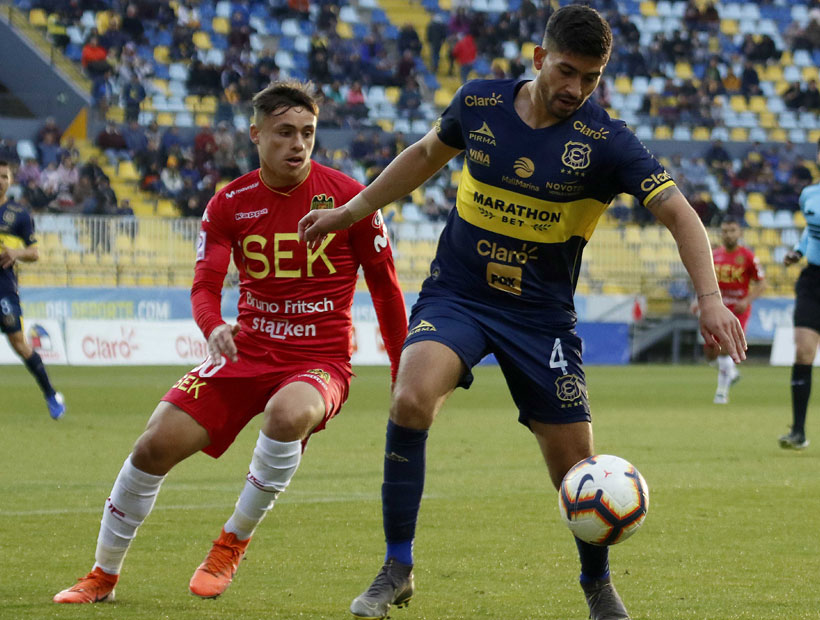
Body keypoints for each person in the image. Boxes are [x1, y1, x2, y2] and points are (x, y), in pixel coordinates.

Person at [298, 7, 746, 620]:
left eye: (590, 79)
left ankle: (596, 584)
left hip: (541, 317)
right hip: (460, 294)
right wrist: (348, 214)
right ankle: (396, 566)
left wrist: (710, 298)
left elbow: (680, 214)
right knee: (410, 398)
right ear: (538, 59)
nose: (575, 89)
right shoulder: (479, 105)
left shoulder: (606, 142)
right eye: (566, 72)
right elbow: (425, 155)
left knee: (575, 470)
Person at [52, 80, 408, 604]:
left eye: (307, 133)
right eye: (285, 132)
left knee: (287, 415)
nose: (298, 144)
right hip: (245, 352)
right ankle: (102, 576)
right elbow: (204, 286)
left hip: (319, 360)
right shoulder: (229, 204)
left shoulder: (353, 200)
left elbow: (386, 289)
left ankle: (231, 542)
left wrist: (403, 374)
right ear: (255, 134)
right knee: (152, 446)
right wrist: (212, 326)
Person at [0, 160, 65, 419]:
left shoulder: (19, 214)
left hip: (4, 286)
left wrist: (15, 252)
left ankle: (50, 394)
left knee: (18, 343)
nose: (1, 180)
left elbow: (34, 252)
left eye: (4, 176)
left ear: (11, 181)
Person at [691, 216, 765, 404]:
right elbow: (703, 281)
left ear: (739, 233)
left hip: (738, 310)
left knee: (725, 348)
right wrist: (697, 300)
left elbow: (761, 283)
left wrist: (747, 300)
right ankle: (730, 372)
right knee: (710, 352)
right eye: (725, 231)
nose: (728, 234)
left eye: (732, 230)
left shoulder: (748, 257)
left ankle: (721, 392)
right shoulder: (713, 255)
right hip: (716, 307)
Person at [779, 140, 820, 450]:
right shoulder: (809, 195)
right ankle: (798, 431)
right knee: (803, 352)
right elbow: (810, 231)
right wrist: (799, 251)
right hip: (812, 280)